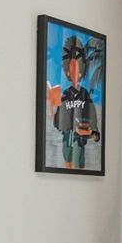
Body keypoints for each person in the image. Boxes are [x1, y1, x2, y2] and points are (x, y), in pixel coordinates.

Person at [47, 34, 101, 169]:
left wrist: (91, 132)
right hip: (68, 138)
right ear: (67, 72)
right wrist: (52, 106)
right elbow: (58, 121)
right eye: (71, 67)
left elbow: (93, 124)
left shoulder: (85, 95)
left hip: (80, 140)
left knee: (79, 161)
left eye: (77, 67)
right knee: (68, 159)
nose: (74, 71)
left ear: (81, 71)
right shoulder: (65, 95)